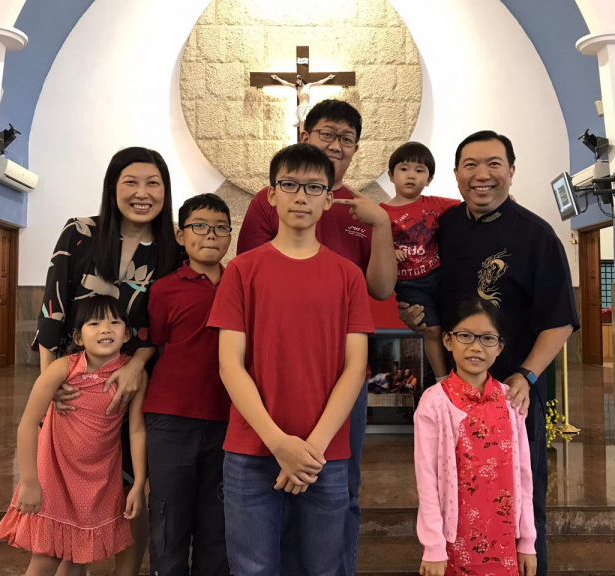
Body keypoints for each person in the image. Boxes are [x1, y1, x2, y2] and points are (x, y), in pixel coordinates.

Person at [400, 131, 578, 576]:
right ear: (457, 174)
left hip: (511, 397)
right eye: (470, 165)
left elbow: (560, 319)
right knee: (447, 493)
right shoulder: (445, 227)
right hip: (452, 394)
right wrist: (413, 314)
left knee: (521, 504)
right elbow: (429, 297)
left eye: (494, 164)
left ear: (511, 171)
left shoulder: (537, 235)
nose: (482, 175)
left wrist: (526, 376)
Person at [236, 99, 396, 576]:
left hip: (342, 375)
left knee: (340, 486)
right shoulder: (273, 203)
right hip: (275, 371)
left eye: (346, 139)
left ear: (355, 151)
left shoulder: (357, 209)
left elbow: (383, 287)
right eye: (326, 133)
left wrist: (382, 222)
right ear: (305, 134)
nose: (335, 144)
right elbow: (253, 282)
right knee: (272, 486)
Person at [209, 143, 375, 576]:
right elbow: (231, 365)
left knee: (324, 568)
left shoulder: (347, 275)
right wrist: (280, 444)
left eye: (314, 187)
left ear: (328, 198)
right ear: (271, 195)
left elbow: (355, 367)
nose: (301, 196)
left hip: (326, 454)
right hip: (251, 449)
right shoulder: (242, 270)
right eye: (290, 185)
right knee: (252, 568)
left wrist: (311, 449)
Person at [33, 146, 178, 575]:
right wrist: (52, 385)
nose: (142, 192)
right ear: (112, 186)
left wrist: (137, 364)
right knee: (69, 494)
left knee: (132, 488)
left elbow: (167, 323)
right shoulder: (79, 232)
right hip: (75, 385)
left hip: (136, 387)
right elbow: (52, 311)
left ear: (165, 190)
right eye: (130, 182)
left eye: (153, 183)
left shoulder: (172, 246)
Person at [0, 296, 147, 576]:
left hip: (99, 479)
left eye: (115, 322)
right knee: (46, 558)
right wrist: (30, 481)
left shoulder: (132, 374)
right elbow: (28, 423)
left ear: (127, 334)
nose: (105, 329)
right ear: (79, 336)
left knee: (78, 555)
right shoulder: (63, 368)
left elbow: (137, 428)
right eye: (94, 323)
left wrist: (138, 483)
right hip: (54, 474)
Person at [414, 297, 537, 576]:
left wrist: (527, 541)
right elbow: (428, 479)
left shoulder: (511, 401)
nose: (476, 346)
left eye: (487, 338)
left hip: (504, 538)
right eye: (465, 336)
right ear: (448, 341)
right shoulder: (434, 403)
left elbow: (524, 475)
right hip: (454, 541)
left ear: (500, 346)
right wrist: (433, 546)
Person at [144, 193, 233, 576]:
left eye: (220, 228)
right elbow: (157, 344)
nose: (209, 235)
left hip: (230, 418)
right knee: (168, 518)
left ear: (230, 236)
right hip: (171, 418)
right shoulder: (164, 289)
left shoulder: (242, 282)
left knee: (219, 521)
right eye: (199, 226)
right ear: (182, 236)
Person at [381, 142, 459, 380]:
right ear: (391, 176)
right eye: (404, 169)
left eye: (419, 170)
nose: (411, 175)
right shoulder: (382, 212)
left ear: (429, 178)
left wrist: (504, 200)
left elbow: (470, 205)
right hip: (409, 284)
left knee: (454, 328)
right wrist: (389, 252)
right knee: (431, 330)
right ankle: (441, 379)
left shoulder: (435, 204)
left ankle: (461, 375)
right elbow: (369, 247)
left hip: (439, 277)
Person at [270, 73, 336, 128]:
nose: (298, 82)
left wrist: (328, 78)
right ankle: (302, 136)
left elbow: (318, 83)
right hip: (301, 107)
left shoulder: (308, 85)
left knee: (306, 120)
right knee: (302, 122)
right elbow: (286, 83)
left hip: (307, 106)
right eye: (297, 81)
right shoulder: (297, 87)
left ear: (301, 80)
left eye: (299, 80)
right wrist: (277, 78)